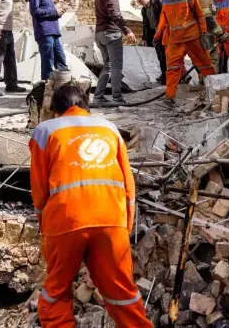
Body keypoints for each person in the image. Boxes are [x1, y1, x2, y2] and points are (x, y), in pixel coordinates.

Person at [30, 83, 153, 328]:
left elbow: (39, 189)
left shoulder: (45, 131)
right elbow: (128, 183)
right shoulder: (109, 128)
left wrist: (45, 227)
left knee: (56, 294)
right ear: (86, 106)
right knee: (122, 293)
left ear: (56, 110)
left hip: (65, 221)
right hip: (112, 221)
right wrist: (124, 225)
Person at [154, 0, 216, 101]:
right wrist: (157, 35)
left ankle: (217, 91)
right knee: (172, 68)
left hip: (192, 37)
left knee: (205, 64)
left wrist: (204, 33)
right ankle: (170, 97)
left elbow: (200, 15)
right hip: (176, 40)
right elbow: (163, 19)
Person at [94, 0, 137, 106]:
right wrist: (127, 31)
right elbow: (116, 16)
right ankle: (117, 97)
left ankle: (98, 96)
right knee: (116, 66)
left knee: (108, 66)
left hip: (100, 34)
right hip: (111, 34)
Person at [29, 0, 69, 81]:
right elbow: (35, 11)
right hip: (44, 32)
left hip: (54, 32)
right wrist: (54, 12)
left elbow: (49, 12)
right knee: (48, 59)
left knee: (60, 58)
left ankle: (64, 84)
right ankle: (46, 85)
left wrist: (58, 13)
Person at [136, 0, 166, 84]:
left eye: (141, 0)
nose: (140, 3)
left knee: (165, 55)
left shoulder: (157, 3)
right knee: (160, 55)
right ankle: (164, 74)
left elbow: (164, 15)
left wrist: (161, 26)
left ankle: (167, 75)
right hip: (155, 34)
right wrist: (144, 38)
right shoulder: (144, 10)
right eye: (139, 1)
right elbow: (145, 24)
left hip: (164, 32)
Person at [194, 0, 223, 69]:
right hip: (207, 32)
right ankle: (212, 79)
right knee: (212, 57)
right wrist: (219, 32)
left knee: (201, 58)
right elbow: (208, 17)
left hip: (195, 32)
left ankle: (202, 79)